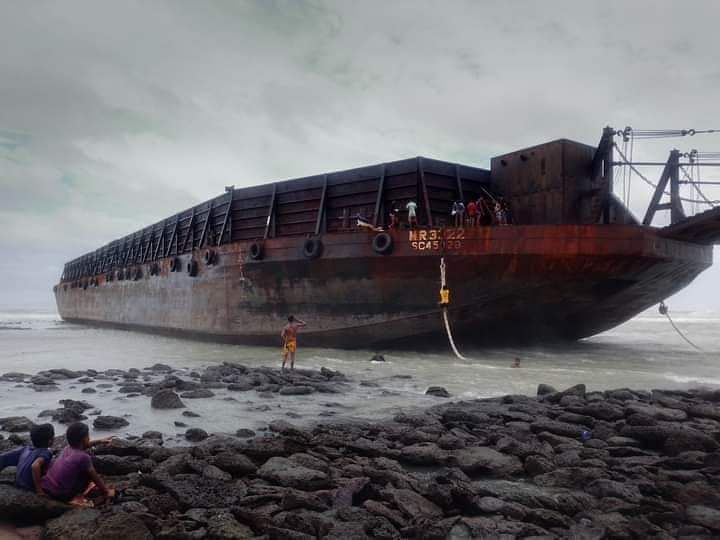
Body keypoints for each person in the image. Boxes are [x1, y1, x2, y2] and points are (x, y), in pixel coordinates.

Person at [41, 422, 114, 505]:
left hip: (48, 487)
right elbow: (94, 476)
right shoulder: (83, 457)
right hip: (62, 494)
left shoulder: (67, 448)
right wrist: (106, 492)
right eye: (88, 436)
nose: (89, 438)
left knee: (85, 461)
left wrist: (100, 441)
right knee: (90, 464)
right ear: (84, 439)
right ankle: (77, 495)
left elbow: (84, 445)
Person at [0, 423, 54, 494]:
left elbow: (3, 457)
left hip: (17, 483)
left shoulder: (26, 449)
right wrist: (39, 489)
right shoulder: (46, 452)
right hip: (29, 488)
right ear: (50, 441)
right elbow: (35, 466)